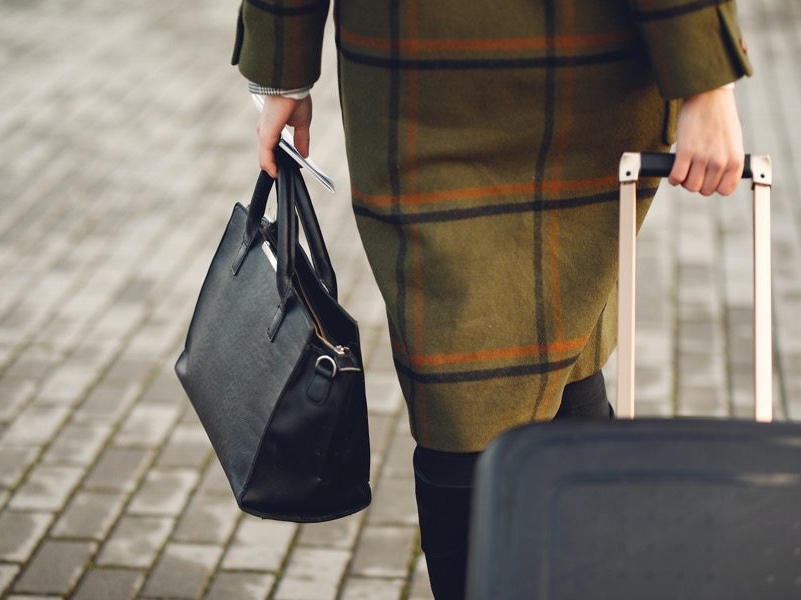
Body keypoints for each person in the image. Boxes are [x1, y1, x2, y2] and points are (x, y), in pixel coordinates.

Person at [233, 1, 752, 597]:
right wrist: (283, 63)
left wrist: (706, 79)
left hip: (583, 76)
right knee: (462, 390)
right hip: (418, 79)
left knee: (568, 344)